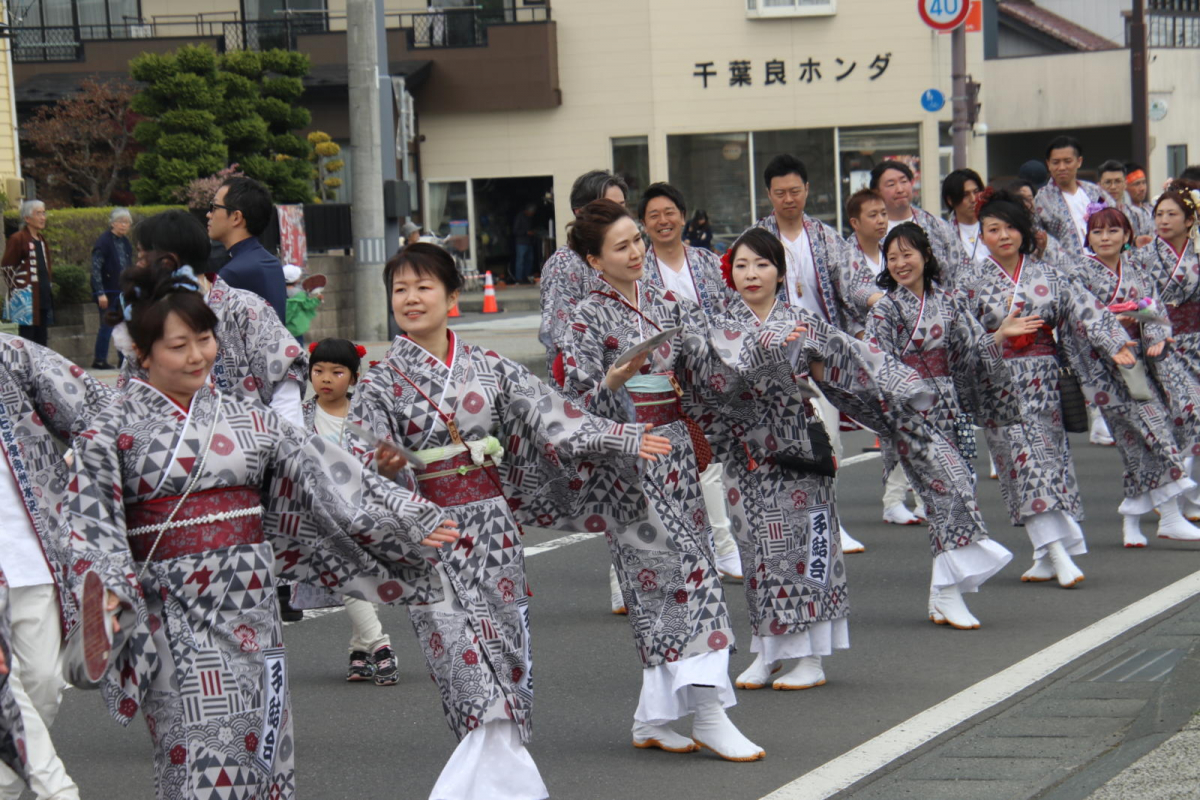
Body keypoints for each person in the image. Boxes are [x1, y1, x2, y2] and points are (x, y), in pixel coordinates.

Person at [63, 257, 460, 800]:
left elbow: (325, 467)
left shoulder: (248, 418)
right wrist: (105, 589)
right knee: (197, 754)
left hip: (251, 604)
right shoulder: (110, 430)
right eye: (179, 346)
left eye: (204, 340)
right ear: (141, 351)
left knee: (262, 747)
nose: (198, 355)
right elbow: (90, 524)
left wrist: (407, 514)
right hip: (173, 613)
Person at [349, 242, 668, 798]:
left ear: (452, 296)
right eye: (400, 289)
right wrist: (397, 487)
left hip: (494, 531)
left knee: (507, 657)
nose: (410, 298)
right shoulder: (378, 384)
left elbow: (554, 415)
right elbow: (357, 470)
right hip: (432, 533)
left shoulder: (488, 366)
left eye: (424, 286)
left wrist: (625, 435)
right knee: (466, 670)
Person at [564, 199, 812, 763]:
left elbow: (710, 372)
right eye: (622, 246)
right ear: (593, 260)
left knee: (681, 580)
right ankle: (708, 713)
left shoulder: (669, 302)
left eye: (637, 242)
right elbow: (574, 407)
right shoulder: (584, 318)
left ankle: (652, 717)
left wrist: (763, 355)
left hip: (675, 453)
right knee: (681, 585)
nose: (636, 253)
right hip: (628, 460)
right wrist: (612, 379)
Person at [714, 227, 933, 684]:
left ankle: (810, 658)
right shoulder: (717, 326)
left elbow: (850, 365)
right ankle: (768, 647)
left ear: (780, 271)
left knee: (806, 548)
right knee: (757, 551)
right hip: (745, 452)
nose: (751, 274)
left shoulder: (804, 322)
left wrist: (899, 391)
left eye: (762, 264)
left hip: (797, 447)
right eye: (741, 265)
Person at [961, 189, 1137, 587]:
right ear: (982, 236)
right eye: (992, 229)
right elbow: (959, 340)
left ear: (1023, 231)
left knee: (1048, 464)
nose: (1002, 235)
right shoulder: (969, 283)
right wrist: (998, 335)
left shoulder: (1049, 276)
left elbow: (1086, 308)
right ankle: (1058, 553)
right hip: (1000, 385)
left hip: (1044, 383)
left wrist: (1114, 342)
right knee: (1024, 466)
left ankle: (1044, 554)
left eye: (1009, 227)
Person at [867, 223, 1031, 629]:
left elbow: (971, 352)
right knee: (954, 488)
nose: (901, 263)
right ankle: (948, 591)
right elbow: (874, 364)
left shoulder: (951, 302)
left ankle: (944, 592)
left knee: (948, 498)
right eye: (892, 257)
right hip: (908, 414)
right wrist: (900, 398)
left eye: (908, 254)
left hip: (947, 408)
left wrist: (998, 336)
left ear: (925, 255)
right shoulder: (884, 310)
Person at [0, 332, 116, 800]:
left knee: (44, 682)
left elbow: (96, 410)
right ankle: (59, 791)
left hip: (32, 552)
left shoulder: (10, 354)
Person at [754, 154, 867, 554]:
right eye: (780, 192)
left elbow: (852, 284)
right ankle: (787, 528)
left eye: (795, 191)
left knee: (828, 442)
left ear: (807, 191)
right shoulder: (755, 240)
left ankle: (830, 524)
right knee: (781, 448)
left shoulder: (825, 236)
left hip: (819, 355)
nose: (789, 199)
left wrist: (875, 302)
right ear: (768, 194)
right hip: (774, 358)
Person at [1068, 206, 1200, 545]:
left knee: (1137, 443)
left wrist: (1155, 336)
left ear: (1127, 235)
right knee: (1152, 429)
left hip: (1139, 363)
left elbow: (1155, 309)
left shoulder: (1137, 269)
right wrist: (1114, 337)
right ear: (1089, 237)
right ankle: (1171, 513)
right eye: (1097, 232)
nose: (1105, 238)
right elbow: (1083, 319)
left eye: (1113, 231)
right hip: (1103, 367)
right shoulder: (1079, 272)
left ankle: (1132, 521)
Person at [638, 181, 743, 581]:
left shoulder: (707, 262)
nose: (663, 221)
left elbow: (730, 313)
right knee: (663, 475)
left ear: (683, 216)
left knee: (712, 464)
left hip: (712, 380)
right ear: (644, 225)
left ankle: (724, 547)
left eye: (670, 213)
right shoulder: (640, 269)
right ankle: (655, 564)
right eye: (654, 216)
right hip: (662, 386)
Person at [117, 210, 307, 429]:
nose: (138, 267)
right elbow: (130, 396)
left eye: (142, 258)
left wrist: (277, 449)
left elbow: (285, 386)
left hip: (256, 449)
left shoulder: (247, 308)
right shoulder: (149, 317)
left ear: (168, 261)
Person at [290, 338, 406, 683]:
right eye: (318, 371)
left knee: (361, 580)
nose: (325, 378)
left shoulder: (367, 415)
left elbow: (385, 461)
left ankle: (359, 651)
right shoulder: (299, 416)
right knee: (346, 574)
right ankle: (380, 646)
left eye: (336, 372)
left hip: (364, 509)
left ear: (354, 378)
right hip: (320, 514)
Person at [841, 188, 925, 526]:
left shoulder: (891, 250)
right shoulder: (847, 255)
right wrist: (889, 307)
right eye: (872, 215)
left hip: (906, 345)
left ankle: (919, 496)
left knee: (914, 422)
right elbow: (853, 295)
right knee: (896, 425)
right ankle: (894, 500)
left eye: (882, 214)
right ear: (855, 222)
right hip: (867, 349)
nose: (880, 220)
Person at [1130, 180, 1200, 521]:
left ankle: (1192, 495)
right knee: (1187, 413)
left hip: (1198, 339)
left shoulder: (1198, 252)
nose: (1164, 220)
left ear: (1190, 220)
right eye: (1159, 214)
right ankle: (1173, 491)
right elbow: (1137, 301)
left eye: (1173, 214)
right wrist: (1155, 329)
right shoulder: (1142, 256)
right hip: (1163, 345)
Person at [538, 169, 629, 379]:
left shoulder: (623, 257)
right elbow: (562, 337)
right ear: (579, 212)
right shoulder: (565, 263)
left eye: (621, 206)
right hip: (585, 386)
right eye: (607, 207)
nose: (618, 215)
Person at [870, 160, 966, 283]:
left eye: (904, 181)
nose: (900, 189)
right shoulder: (868, 232)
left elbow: (962, 271)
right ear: (876, 192)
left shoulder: (937, 226)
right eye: (891, 184)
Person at [207, 176, 288, 324]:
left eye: (215, 207)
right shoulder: (270, 262)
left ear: (236, 217)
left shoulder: (234, 272)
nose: (208, 214)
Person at [1034, 135, 1108, 259]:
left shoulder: (1095, 193)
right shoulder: (1041, 200)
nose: (1062, 167)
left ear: (1079, 161)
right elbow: (1036, 239)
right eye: (1056, 162)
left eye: (1067, 161)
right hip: (1066, 271)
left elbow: (1119, 225)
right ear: (1048, 164)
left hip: (1104, 265)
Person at [1, 201, 54, 347]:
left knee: (42, 338)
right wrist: (19, 288)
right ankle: (27, 369)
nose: (43, 217)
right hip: (26, 299)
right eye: (38, 213)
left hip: (42, 296)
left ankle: (40, 368)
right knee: (28, 339)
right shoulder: (18, 238)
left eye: (44, 213)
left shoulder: (42, 240)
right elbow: (7, 266)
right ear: (27, 218)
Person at [90, 207, 133, 369]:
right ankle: (99, 359)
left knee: (123, 325)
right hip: (108, 291)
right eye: (121, 222)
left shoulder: (126, 242)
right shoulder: (103, 242)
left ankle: (123, 358)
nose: (124, 225)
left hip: (123, 290)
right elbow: (95, 268)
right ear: (112, 223)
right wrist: (99, 292)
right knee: (107, 326)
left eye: (127, 222)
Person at [1097, 159, 1154, 242]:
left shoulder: (1138, 215)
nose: (1113, 187)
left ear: (1125, 184)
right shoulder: (1092, 213)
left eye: (1118, 181)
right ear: (1099, 186)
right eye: (1108, 182)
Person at [942, 168, 988, 264]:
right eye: (965, 195)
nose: (973, 199)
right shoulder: (944, 235)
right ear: (950, 200)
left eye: (976, 192)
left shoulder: (994, 226)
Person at [283, 263, 323, 344]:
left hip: (283, 328)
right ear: (296, 279)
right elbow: (307, 305)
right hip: (296, 329)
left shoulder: (278, 291)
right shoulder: (300, 294)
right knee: (298, 349)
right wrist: (317, 299)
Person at [511, 203, 539, 284]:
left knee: (529, 260)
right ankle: (519, 278)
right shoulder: (519, 217)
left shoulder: (530, 218)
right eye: (531, 213)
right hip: (521, 243)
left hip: (529, 243)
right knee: (520, 261)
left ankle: (527, 277)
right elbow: (515, 231)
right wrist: (526, 232)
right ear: (527, 211)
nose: (532, 214)